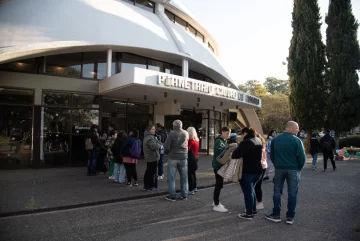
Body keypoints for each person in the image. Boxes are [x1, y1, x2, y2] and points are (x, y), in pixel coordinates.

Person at [265, 121, 306, 225]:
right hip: (293, 169)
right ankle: (290, 217)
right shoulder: (296, 140)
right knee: (292, 193)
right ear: (291, 128)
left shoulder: (275, 139)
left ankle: (276, 214)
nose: (298, 130)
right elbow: (302, 157)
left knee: (277, 191)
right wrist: (298, 168)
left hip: (279, 169)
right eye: (297, 128)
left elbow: (272, 156)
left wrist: (277, 165)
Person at [231, 127, 263, 220]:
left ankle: (249, 213)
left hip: (248, 170)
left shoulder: (246, 142)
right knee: (251, 190)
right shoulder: (258, 140)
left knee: (248, 192)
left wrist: (235, 149)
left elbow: (236, 154)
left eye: (242, 134)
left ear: (245, 133)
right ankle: (253, 210)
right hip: (258, 170)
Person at [164, 120, 189, 201]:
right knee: (184, 177)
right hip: (184, 157)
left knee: (171, 178)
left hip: (173, 157)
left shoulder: (171, 133)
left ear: (174, 126)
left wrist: (166, 152)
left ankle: (172, 196)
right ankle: (184, 194)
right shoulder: (186, 133)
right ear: (181, 125)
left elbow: (166, 146)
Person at [212, 126, 230, 212]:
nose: (228, 135)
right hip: (218, 166)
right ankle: (216, 204)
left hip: (220, 166)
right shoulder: (219, 141)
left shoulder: (223, 140)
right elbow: (222, 152)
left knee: (219, 184)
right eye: (227, 133)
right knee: (219, 185)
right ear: (222, 132)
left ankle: (215, 201)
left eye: (229, 133)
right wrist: (229, 147)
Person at [143, 125, 162, 191]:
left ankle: (147, 186)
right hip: (152, 157)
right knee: (152, 173)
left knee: (149, 171)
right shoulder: (150, 138)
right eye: (153, 129)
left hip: (150, 157)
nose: (154, 130)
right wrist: (159, 144)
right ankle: (151, 186)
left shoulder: (147, 137)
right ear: (149, 130)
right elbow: (154, 147)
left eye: (154, 129)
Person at [254, 133, 267, 210]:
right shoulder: (262, 147)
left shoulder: (260, 148)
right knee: (257, 185)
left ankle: (260, 202)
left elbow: (260, 159)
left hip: (260, 167)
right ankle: (258, 201)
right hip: (263, 166)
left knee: (257, 185)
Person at [187, 127, 200, 195]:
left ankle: (191, 189)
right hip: (196, 157)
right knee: (193, 173)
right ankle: (195, 187)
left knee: (189, 174)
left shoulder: (190, 141)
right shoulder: (197, 140)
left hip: (190, 158)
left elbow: (187, 149)